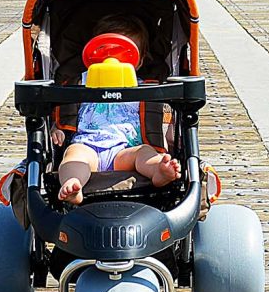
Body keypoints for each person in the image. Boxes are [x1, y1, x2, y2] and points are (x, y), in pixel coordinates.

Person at [52, 14, 180, 205]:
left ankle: (159, 172)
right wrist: (57, 129)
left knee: (145, 153)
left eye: (125, 54)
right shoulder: (80, 83)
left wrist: (172, 135)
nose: (115, 60)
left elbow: (163, 117)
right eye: (106, 51)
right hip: (88, 145)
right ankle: (73, 184)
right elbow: (66, 112)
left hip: (126, 150)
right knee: (73, 155)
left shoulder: (146, 88)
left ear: (139, 60)